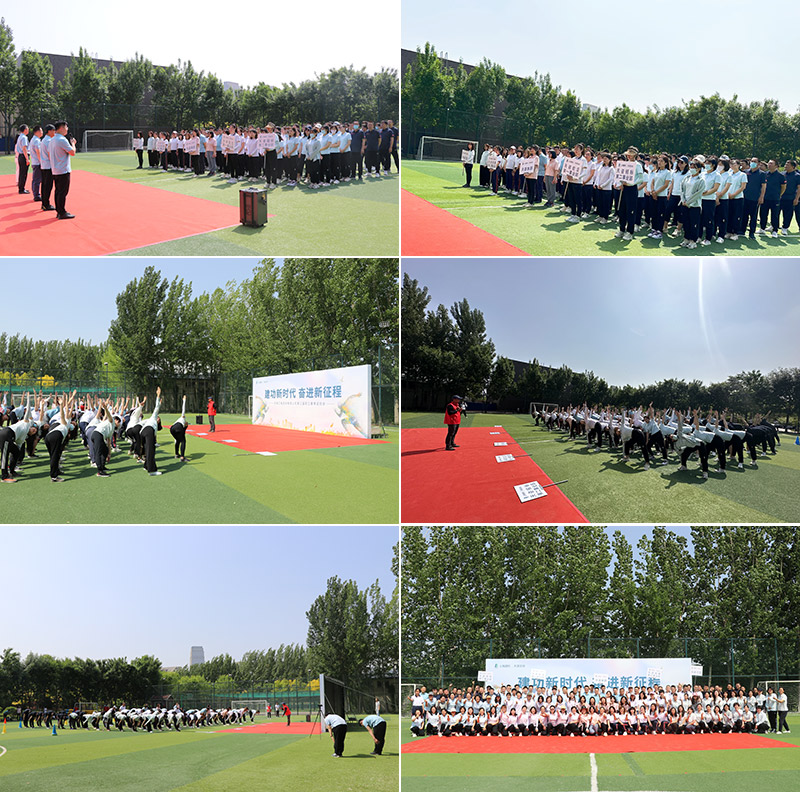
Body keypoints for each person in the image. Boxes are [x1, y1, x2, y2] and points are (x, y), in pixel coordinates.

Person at [51, 121, 77, 220]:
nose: (67, 129)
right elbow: (72, 152)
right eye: (66, 127)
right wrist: (73, 144)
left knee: (58, 191)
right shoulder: (62, 139)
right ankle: (62, 212)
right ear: (61, 128)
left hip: (55, 169)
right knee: (62, 192)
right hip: (63, 170)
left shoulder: (53, 139)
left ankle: (59, 211)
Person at [140, 386, 163, 475]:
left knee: (149, 449)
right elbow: (156, 407)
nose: (158, 418)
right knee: (150, 451)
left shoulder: (155, 427)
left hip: (143, 432)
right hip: (147, 431)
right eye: (158, 417)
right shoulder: (153, 417)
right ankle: (152, 470)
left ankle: (146, 466)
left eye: (159, 419)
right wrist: (158, 395)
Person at [759, 161, 785, 237]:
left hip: (775, 199)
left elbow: (783, 187)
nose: (769, 165)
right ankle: (762, 228)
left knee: (775, 215)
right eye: (769, 163)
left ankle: (775, 230)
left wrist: (779, 195)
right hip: (765, 198)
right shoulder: (765, 174)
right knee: (763, 214)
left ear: (776, 166)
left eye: (771, 163)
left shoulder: (780, 176)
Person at [779, 161, 800, 235]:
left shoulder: (797, 176)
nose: (785, 166)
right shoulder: (782, 174)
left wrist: (796, 198)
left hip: (790, 198)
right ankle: (774, 225)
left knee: (787, 214)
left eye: (787, 165)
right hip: (780, 197)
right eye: (785, 164)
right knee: (776, 212)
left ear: (793, 167)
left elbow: (799, 188)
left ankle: (785, 227)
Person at [39, 125, 56, 212]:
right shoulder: (49, 141)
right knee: (48, 186)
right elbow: (50, 154)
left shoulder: (44, 140)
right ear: (49, 131)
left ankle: (44, 203)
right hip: (48, 166)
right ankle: (46, 204)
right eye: (53, 130)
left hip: (44, 165)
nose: (54, 132)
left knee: (44, 185)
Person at [170, 395, 188, 461]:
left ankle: (176, 454)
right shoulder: (183, 418)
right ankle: (182, 457)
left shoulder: (179, 422)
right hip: (178, 427)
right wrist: (184, 400)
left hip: (172, 429)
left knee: (178, 440)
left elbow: (182, 433)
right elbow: (183, 410)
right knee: (183, 441)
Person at [28, 125, 43, 202]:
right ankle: (36, 195)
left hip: (35, 162)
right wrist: (41, 161)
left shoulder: (33, 139)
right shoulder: (36, 140)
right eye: (41, 131)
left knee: (36, 179)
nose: (42, 132)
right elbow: (38, 152)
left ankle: (36, 194)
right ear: (37, 132)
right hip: (37, 163)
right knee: (37, 179)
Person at [15, 124, 30, 194]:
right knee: (23, 174)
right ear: (25, 130)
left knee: (21, 173)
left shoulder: (20, 137)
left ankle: (21, 188)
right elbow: (24, 148)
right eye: (27, 129)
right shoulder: (24, 137)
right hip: (23, 156)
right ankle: (21, 189)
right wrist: (27, 158)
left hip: (20, 156)